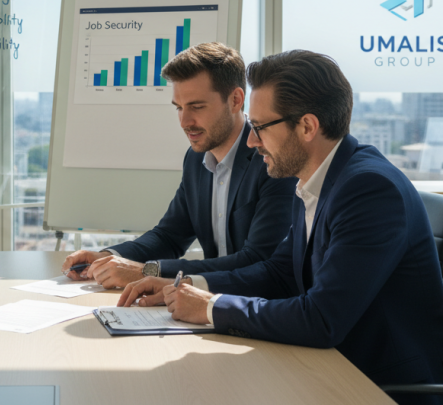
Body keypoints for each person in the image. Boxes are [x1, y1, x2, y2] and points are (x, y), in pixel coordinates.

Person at [119, 50, 443, 402]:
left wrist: (210, 307)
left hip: (390, 388)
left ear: (307, 126)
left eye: (259, 128)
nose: (252, 142)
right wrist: (188, 285)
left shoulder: (369, 190)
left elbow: (321, 319)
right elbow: (280, 273)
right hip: (337, 368)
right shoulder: (319, 180)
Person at [61, 42, 295, 289]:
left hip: (257, 305)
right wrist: (109, 256)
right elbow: (169, 236)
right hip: (210, 302)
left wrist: (149, 271)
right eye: (179, 108)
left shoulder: (272, 158)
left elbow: (258, 260)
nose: (185, 122)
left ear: (235, 100)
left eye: (196, 106)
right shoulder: (196, 159)